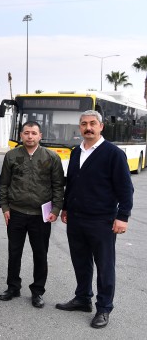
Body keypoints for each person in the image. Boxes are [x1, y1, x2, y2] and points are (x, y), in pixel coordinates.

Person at [56, 110, 133, 329]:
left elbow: (126, 188)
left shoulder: (113, 153)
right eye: (83, 124)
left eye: (92, 123)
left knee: (105, 266)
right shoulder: (75, 152)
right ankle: (82, 298)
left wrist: (123, 216)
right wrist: (67, 208)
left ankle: (104, 308)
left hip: (102, 220)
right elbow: (72, 183)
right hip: (77, 219)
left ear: (101, 127)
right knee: (80, 261)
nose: (88, 127)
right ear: (79, 128)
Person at [0, 121, 64, 308]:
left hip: (40, 215)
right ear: (21, 135)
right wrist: (5, 207)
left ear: (40, 136)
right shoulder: (11, 156)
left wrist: (56, 209)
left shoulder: (51, 157)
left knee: (40, 254)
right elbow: (4, 184)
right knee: (14, 252)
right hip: (16, 213)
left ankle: (37, 291)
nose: (30, 136)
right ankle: (13, 287)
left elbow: (58, 186)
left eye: (33, 133)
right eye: (26, 133)